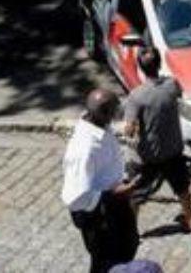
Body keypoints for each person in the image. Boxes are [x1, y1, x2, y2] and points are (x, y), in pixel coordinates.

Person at [123, 48, 191, 234]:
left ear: (141, 69)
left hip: (149, 155)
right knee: (182, 188)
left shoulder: (136, 96)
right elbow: (178, 97)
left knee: (137, 193)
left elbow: (129, 129)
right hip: (173, 148)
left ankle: (131, 231)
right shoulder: (172, 84)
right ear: (159, 65)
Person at [62, 89, 138, 273]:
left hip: (114, 202)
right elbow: (75, 199)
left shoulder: (98, 123)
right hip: (100, 215)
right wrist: (112, 193)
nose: (116, 116)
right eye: (114, 112)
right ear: (104, 114)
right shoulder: (83, 149)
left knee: (128, 245)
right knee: (106, 260)